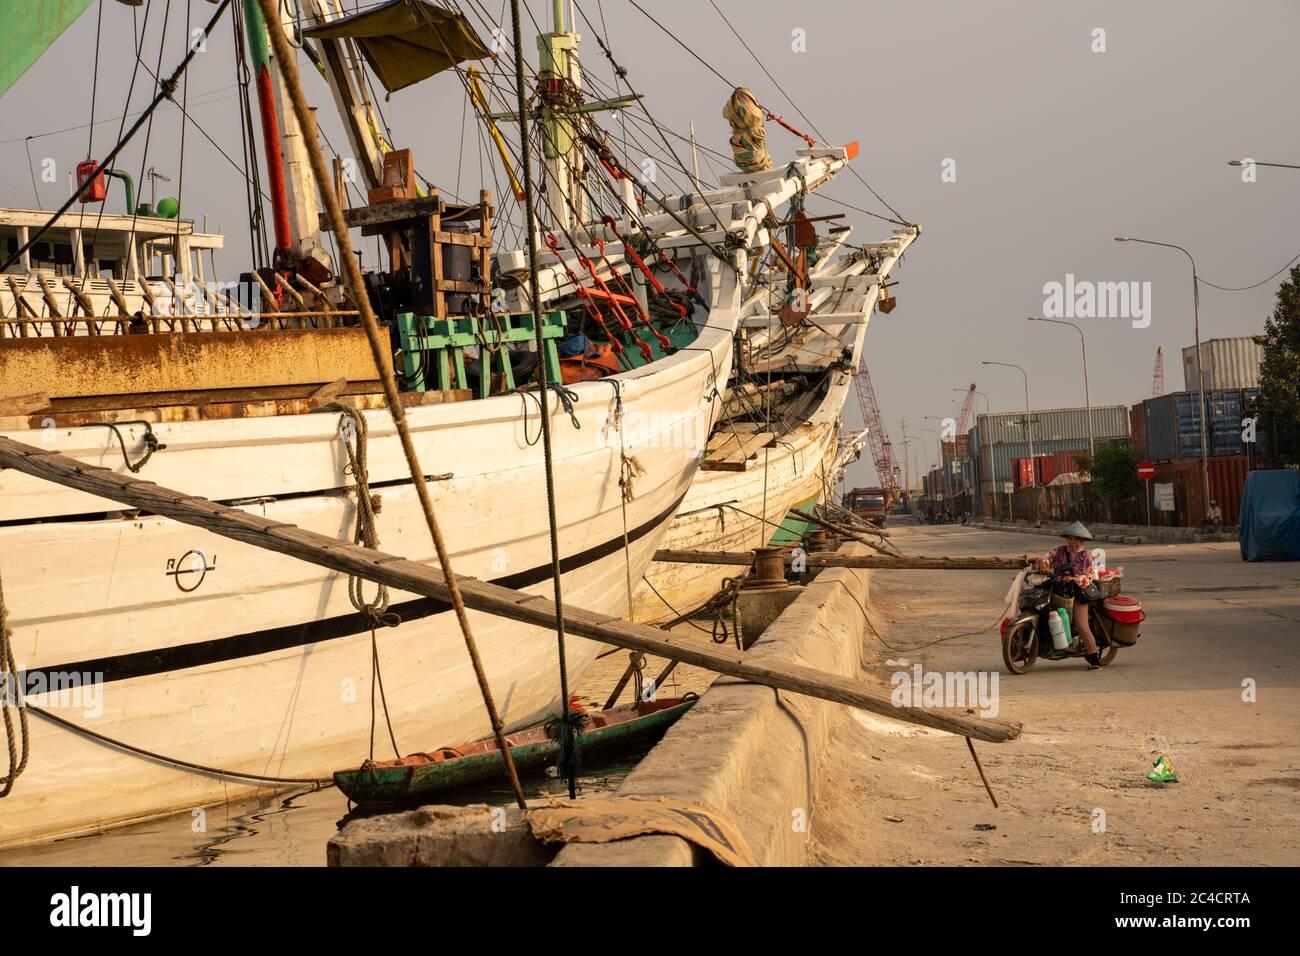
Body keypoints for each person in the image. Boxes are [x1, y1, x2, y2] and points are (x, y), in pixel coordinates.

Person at [1036, 521, 1103, 670]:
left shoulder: (1086, 556)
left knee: (1081, 625)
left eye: (1076, 539)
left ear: (1081, 541)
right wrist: (1043, 563)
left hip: (1079, 593)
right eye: (1070, 538)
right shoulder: (1059, 551)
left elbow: (1090, 575)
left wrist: (1075, 579)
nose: (1072, 542)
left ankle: (1094, 659)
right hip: (1059, 590)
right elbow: (1046, 557)